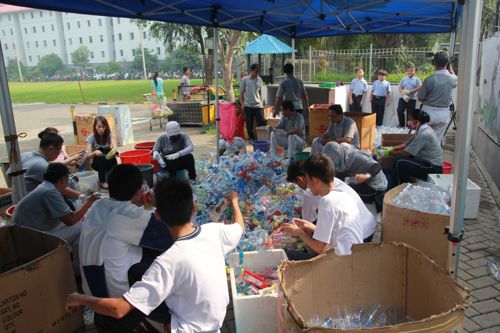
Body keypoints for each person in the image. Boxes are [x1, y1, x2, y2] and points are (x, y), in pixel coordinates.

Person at [65, 178, 244, 333]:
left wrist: (80, 298)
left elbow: (118, 309)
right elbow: (239, 228)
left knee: (108, 317)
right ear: (193, 209)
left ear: (157, 216)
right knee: (138, 274)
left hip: (183, 327)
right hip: (215, 323)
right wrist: (234, 201)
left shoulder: (167, 262)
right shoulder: (216, 231)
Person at [79, 164, 174, 332]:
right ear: (138, 191)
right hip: (118, 295)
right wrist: (155, 204)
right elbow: (173, 233)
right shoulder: (128, 215)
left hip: (93, 287)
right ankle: (163, 318)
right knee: (169, 258)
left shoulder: (98, 206)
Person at [279, 153, 376, 261]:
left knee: (287, 256)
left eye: (307, 179)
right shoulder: (343, 195)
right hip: (354, 256)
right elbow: (338, 231)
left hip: (340, 263)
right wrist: (310, 226)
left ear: (315, 180)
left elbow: (320, 248)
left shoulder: (327, 201)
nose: (307, 186)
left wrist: (299, 232)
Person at [12, 163, 99, 272]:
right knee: (81, 227)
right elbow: (70, 220)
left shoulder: (46, 186)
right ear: (63, 179)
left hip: (24, 234)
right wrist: (89, 203)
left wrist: (82, 197)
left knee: (77, 225)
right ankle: (77, 270)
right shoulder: (49, 192)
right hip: (31, 239)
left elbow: (63, 189)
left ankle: (76, 266)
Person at [286, 160, 367, 224]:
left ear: (300, 179)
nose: (300, 188)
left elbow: (306, 224)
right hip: (367, 221)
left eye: (297, 184)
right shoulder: (330, 179)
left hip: (359, 234)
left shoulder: (310, 192)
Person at [322, 142, 387, 212]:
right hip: (357, 178)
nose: (331, 163)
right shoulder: (341, 156)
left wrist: (366, 176)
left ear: (337, 155)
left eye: (332, 160)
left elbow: (377, 166)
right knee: (338, 181)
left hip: (375, 187)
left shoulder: (356, 157)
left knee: (344, 189)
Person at [389, 109, 443, 185]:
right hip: (425, 163)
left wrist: (390, 153)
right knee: (400, 159)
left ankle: (401, 187)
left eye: (409, 119)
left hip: (432, 168)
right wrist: (391, 148)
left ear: (417, 121)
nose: (408, 122)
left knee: (399, 162)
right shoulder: (422, 129)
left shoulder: (424, 134)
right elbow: (406, 144)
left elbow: (406, 153)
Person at [417, 51, 457, 142]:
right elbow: (454, 77)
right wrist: (449, 67)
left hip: (428, 113)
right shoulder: (453, 79)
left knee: (422, 140)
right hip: (443, 114)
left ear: (434, 63)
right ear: (447, 63)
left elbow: (420, 98)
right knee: (436, 142)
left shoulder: (429, 80)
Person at [86, 116, 118, 189]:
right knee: (101, 159)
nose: (102, 129)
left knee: (113, 156)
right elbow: (87, 156)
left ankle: (115, 178)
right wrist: (94, 153)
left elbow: (115, 148)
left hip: (108, 160)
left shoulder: (110, 134)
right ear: (95, 127)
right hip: (97, 164)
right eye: (99, 127)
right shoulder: (91, 138)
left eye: (103, 127)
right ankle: (102, 181)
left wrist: (111, 153)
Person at [240, 63, 266, 142]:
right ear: (251, 70)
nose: (256, 74)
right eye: (255, 72)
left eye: (258, 72)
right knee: (249, 124)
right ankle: (251, 138)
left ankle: (261, 138)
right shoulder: (245, 80)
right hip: (248, 105)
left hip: (258, 105)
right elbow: (241, 93)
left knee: (262, 122)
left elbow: (260, 92)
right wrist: (242, 104)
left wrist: (261, 101)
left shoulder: (259, 79)